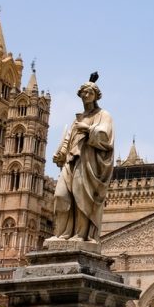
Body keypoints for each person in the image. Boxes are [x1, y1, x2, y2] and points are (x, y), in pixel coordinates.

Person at [51, 73, 115, 242]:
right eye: (83, 93)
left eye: (89, 93)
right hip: (71, 161)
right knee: (60, 196)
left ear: (96, 96)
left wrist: (87, 128)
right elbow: (69, 138)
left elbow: (106, 136)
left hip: (87, 162)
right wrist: (61, 152)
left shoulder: (103, 115)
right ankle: (62, 234)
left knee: (82, 198)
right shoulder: (77, 118)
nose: (86, 95)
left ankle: (80, 235)